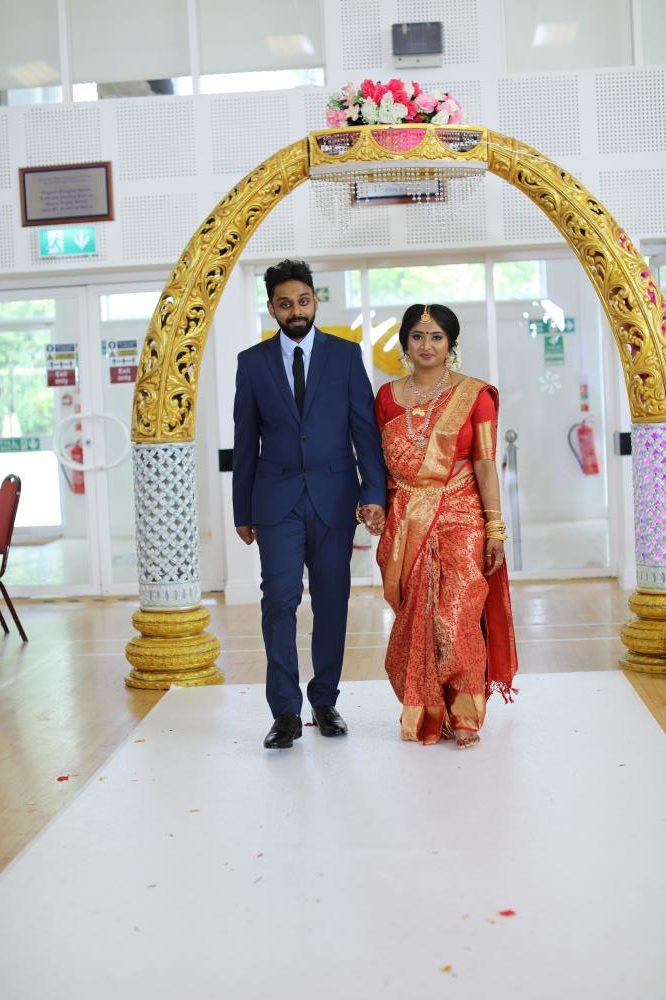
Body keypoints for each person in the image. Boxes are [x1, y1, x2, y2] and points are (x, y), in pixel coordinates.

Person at [233, 259, 386, 749]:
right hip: (276, 502)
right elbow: (245, 441)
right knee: (279, 600)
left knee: (332, 600)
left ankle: (324, 700)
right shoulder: (252, 363)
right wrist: (242, 511)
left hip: (334, 499)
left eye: (302, 301)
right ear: (272, 308)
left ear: (315, 300)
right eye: (285, 304)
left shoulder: (345, 355)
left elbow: (365, 431)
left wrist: (373, 492)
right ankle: (285, 712)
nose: (295, 311)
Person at [374, 303, 518, 748]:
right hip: (407, 522)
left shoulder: (474, 395)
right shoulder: (386, 397)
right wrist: (374, 508)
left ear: (450, 343)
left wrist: (494, 529)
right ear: (405, 342)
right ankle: (425, 707)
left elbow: (486, 464)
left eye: (436, 336)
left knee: (456, 616)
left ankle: (465, 713)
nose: (427, 345)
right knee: (415, 619)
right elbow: (381, 465)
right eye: (418, 336)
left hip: (462, 514)